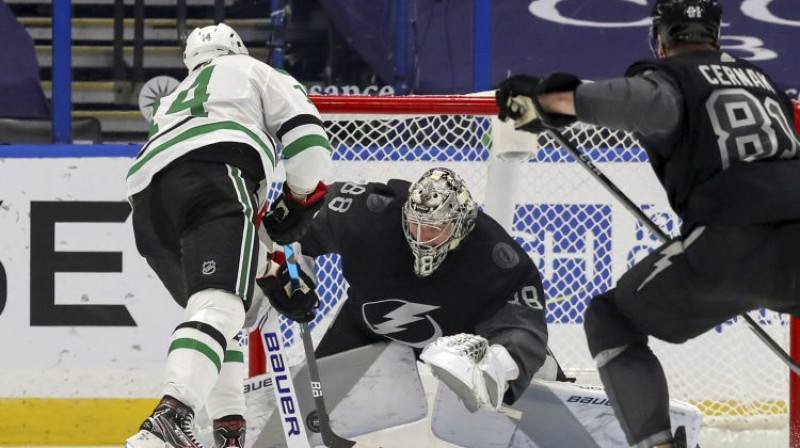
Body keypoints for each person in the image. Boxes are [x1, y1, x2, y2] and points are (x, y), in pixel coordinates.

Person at [495, 1, 800, 447]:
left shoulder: (676, 78)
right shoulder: (767, 84)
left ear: (661, 37)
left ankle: (655, 443)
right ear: (715, 35)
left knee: (611, 318)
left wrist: (549, 100)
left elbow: (639, 102)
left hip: (729, 241)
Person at [124, 23, 331, 448]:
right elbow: (310, 144)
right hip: (215, 173)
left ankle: (229, 432)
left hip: (147, 200)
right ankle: (171, 417)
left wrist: (271, 266)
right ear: (236, 47)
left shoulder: (172, 100)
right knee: (220, 304)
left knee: (226, 312)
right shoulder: (254, 70)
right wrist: (296, 199)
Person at [258, 167, 564, 414]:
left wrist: (498, 362)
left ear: (458, 224)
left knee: (517, 362)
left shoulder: (494, 254)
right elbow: (294, 240)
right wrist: (294, 276)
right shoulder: (365, 214)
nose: (420, 236)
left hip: (464, 344)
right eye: (415, 223)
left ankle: (533, 375)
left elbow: (523, 322)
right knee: (310, 408)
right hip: (366, 327)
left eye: (433, 229)